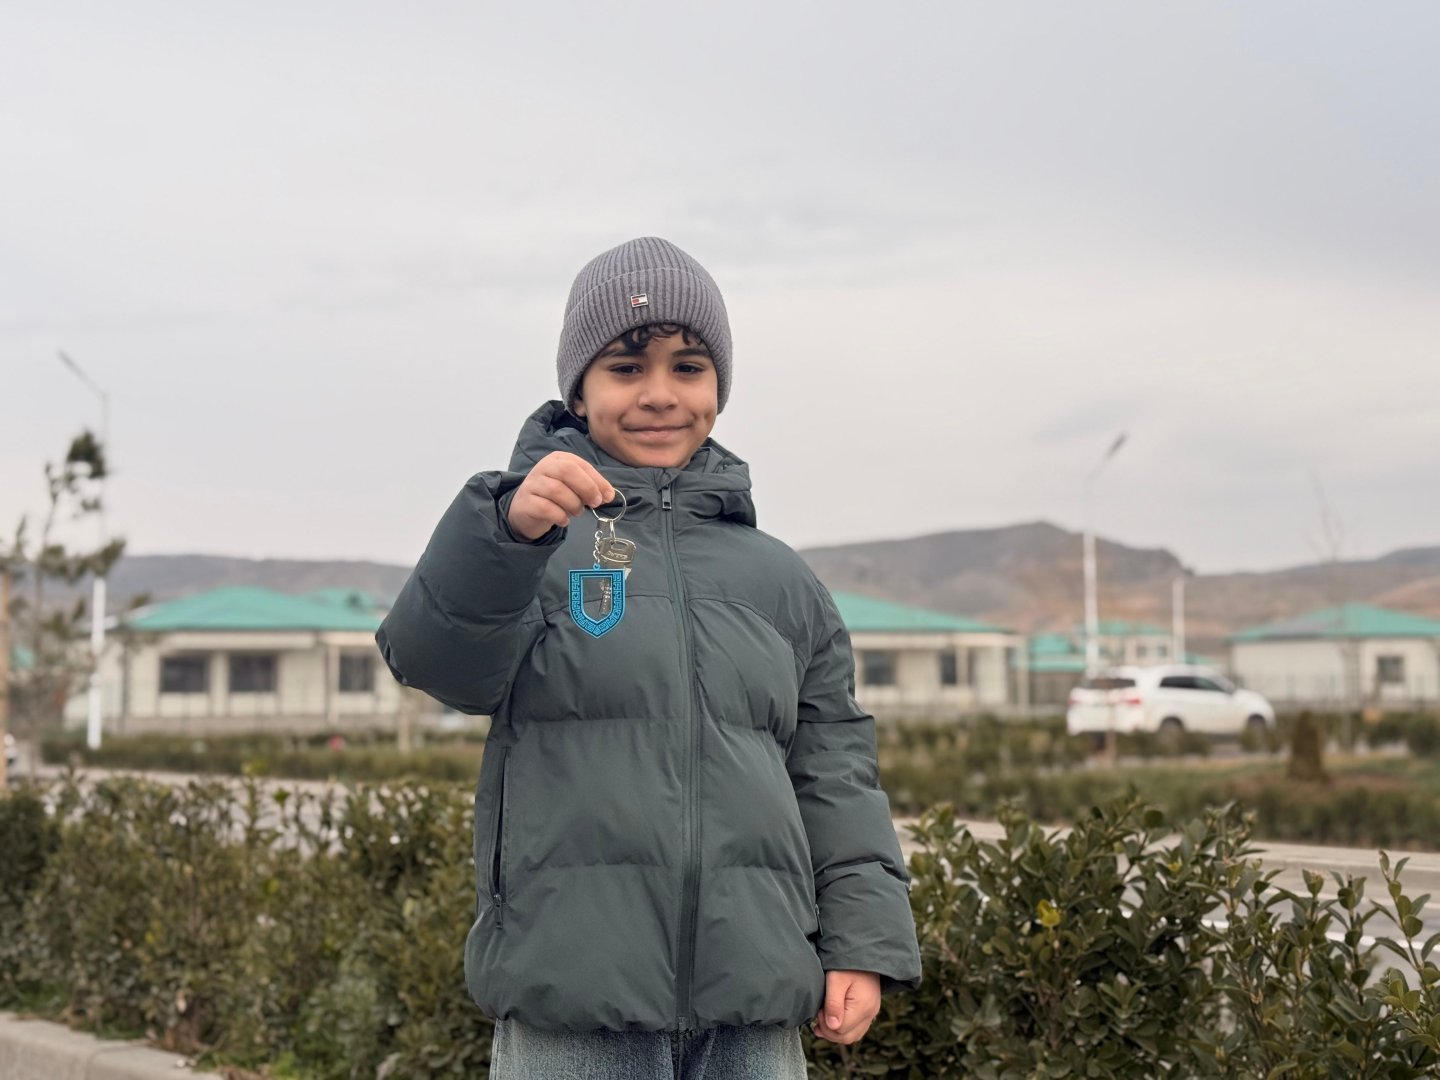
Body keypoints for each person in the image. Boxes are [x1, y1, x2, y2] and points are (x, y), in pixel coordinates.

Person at [375, 237, 921, 1079]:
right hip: (574, 1007)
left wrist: (863, 941)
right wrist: (505, 535)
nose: (661, 395)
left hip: (753, 1007)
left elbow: (835, 773)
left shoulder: (781, 580)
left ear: (719, 385)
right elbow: (437, 664)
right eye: (627, 368)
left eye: (689, 366)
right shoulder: (530, 542)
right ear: (580, 389)